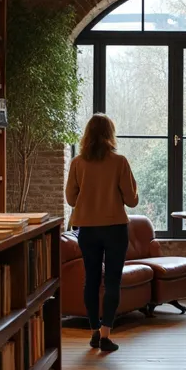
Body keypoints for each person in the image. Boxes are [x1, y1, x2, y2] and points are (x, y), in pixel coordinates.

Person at [66, 113, 139, 353]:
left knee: (91, 280)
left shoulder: (77, 163)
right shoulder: (119, 162)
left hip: (86, 228)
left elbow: (70, 198)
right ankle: (106, 334)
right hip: (115, 228)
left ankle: (94, 331)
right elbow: (132, 201)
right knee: (113, 281)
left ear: (87, 135)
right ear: (110, 134)